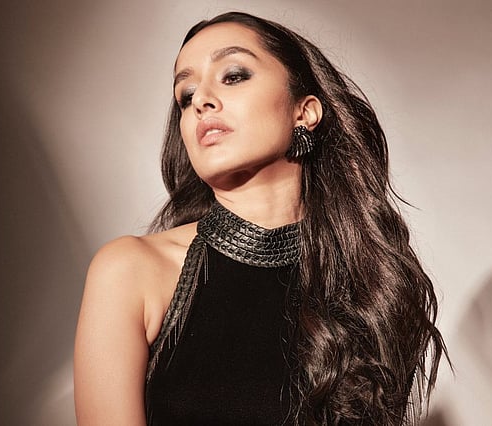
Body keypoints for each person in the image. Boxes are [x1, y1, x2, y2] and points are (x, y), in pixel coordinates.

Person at [74, 11, 447, 426]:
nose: (201, 101)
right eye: (186, 95)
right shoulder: (130, 270)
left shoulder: (373, 288)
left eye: (233, 75)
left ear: (305, 111)